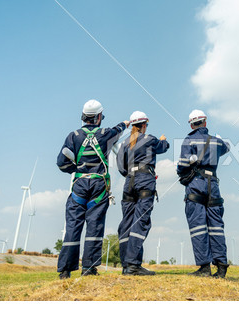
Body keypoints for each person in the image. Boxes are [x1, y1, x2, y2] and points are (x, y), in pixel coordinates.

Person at [56, 99, 130, 279]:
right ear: (98, 117)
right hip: (98, 185)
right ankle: (89, 268)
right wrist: (126, 123)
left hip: (79, 186)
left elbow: (61, 163)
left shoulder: (73, 136)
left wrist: (77, 170)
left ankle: (65, 270)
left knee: (73, 226)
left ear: (83, 117)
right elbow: (119, 129)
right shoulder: (106, 133)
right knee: (94, 225)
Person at [177, 110, 230, 278]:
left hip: (196, 185)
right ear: (205, 123)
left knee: (198, 226)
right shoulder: (216, 142)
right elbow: (226, 148)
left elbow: (182, 166)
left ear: (192, 124)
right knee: (216, 226)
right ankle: (221, 267)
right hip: (213, 185)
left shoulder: (188, 140)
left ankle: (205, 268)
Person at [117, 111, 169, 276]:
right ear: (144, 124)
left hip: (129, 182)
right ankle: (133, 264)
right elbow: (163, 148)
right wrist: (163, 140)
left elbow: (121, 167)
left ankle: (126, 265)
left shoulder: (125, 143)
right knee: (141, 222)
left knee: (127, 222)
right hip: (144, 181)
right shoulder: (149, 139)